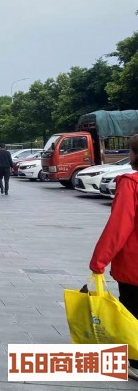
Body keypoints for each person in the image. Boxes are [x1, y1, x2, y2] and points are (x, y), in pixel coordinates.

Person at [90, 135, 138, 380]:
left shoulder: (131, 183)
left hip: (134, 266)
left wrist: (99, 261)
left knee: (132, 313)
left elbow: (120, 226)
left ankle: (136, 362)